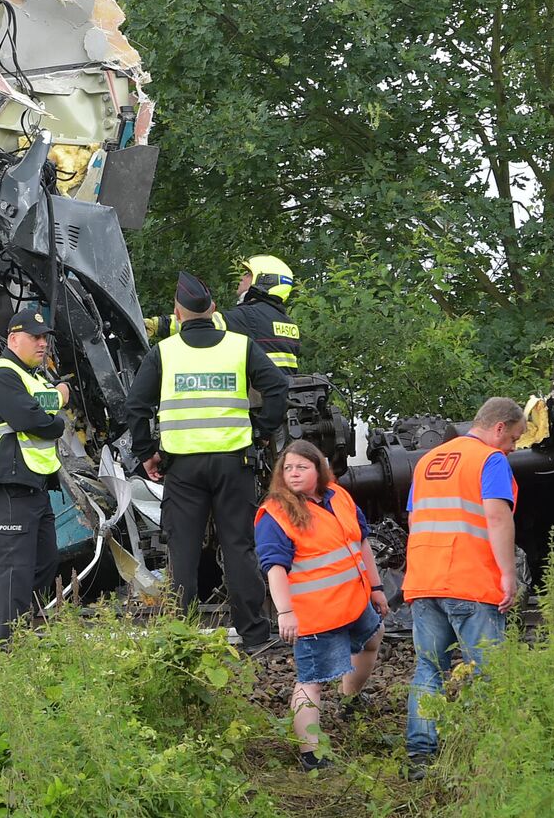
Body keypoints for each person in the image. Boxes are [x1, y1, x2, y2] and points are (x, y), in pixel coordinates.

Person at [124, 271, 291, 645]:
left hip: (182, 468)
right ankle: (254, 634)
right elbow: (278, 388)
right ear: (213, 310)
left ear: (177, 314)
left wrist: (145, 453)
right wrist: (259, 430)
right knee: (238, 545)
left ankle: (180, 635)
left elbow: (136, 406)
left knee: (182, 549)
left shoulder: (163, 353)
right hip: (234, 463)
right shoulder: (240, 347)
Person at [403, 396, 525, 779]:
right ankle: (492, 751)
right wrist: (508, 574)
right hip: (470, 580)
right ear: (499, 427)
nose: (514, 447)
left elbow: (414, 519)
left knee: (429, 667)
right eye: (514, 438)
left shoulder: (428, 462)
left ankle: (420, 756)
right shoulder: (490, 460)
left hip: (424, 580)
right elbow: (496, 517)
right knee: (492, 671)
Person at [257, 441, 389, 771]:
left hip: (354, 601)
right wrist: (285, 612)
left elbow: (360, 542)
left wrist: (376, 587)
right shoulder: (277, 513)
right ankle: (312, 757)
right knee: (311, 681)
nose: (294, 473)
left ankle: (350, 700)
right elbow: (275, 568)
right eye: (287, 468)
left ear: (319, 469)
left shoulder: (337, 496)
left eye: (301, 467)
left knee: (373, 638)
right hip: (316, 614)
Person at [0, 307, 71, 640]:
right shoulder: (1, 375)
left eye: (45, 338)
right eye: (35, 337)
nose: (42, 344)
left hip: (34, 484)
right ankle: (10, 645)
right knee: (15, 569)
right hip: (10, 483)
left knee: (45, 562)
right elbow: (32, 419)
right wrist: (57, 415)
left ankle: (24, 632)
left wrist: (52, 400)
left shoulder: (31, 376)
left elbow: (40, 405)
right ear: (14, 339)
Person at [218, 255, 302, 373]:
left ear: (266, 280)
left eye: (248, 274)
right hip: (282, 389)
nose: (242, 277)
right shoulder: (288, 323)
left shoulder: (250, 315)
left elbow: (201, 322)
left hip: (258, 390)